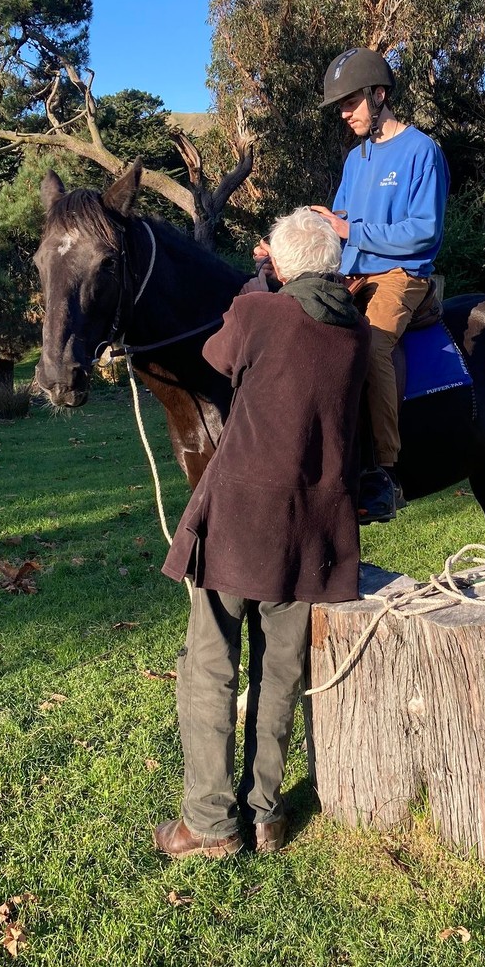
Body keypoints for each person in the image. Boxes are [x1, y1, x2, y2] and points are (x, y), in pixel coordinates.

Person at [154, 207, 371, 859]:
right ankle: (266, 818)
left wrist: (255, 283)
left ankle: (210, 825)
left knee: (210, 667)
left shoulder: (260, 311)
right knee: (279, 671)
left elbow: (217, 357)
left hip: (241, 523)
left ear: (279, 263)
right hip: (314, 526)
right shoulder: (358, 331)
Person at [310, 47, 449, 522]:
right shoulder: (355, 160)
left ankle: (385, 474)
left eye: (351, 102)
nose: (345, 113)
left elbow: (424, 230)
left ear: (379, 94)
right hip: (353, 272)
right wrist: (289, 244)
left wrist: (352, 233)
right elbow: (339, 220)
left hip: (402, 274)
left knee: (371, 346)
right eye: (341, 106)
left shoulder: (421, 151)